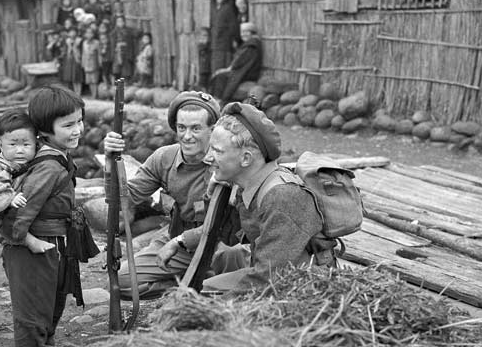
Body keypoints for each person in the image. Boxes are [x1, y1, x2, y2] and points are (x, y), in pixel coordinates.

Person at [156, 103, 324, 294]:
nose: (208, 158)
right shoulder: (247, 187)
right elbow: (224, 233)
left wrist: (211, 308)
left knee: (203, 296)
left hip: (305, 286)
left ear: (245, 159)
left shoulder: (282, 196)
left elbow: (269, 278)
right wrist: (210, 197)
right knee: (209, 282)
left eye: (217, 151)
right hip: (274, 274)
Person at [103, 91, 243, 300]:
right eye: (181, 128)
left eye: (196, 128)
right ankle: (185, 286)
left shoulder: (226, 160)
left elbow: (225, 222)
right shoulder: (164, 158)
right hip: (178, 242)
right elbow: (123, 200)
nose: (187, 136)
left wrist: (180, 241)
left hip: (219, 244)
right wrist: (109, 164)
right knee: (122, 282)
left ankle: (202, 284)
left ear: (212, 130)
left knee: (233, 272)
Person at [0, 86, 90, 347]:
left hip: (54, 243)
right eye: (67, 125)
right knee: (32, 313)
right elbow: (19, 214)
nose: (77, 129)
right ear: (44, 130)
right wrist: (24, 239)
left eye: (79, 121)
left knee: (52, 305)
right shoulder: (48, 167)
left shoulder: (59, 156)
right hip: (32, 248)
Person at [0, 109, 55, 255]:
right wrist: (10, 197)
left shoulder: (28, 159)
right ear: (0, 145)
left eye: (26, 145)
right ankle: (26, 240)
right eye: (13, 145)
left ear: (36, 143)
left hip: (9, 211)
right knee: (13, 227)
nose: (20, 151)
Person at [209, 22, 263, 104]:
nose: (243, 35)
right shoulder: (249, 44)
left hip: (248, 74)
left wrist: (230, 69)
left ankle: (220, 101)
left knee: (220, 77)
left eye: (246, 32)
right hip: (243, 71)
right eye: (242, 32)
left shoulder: (251, 46)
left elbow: (241, 63)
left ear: (252, 32)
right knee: (219, 75)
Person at [210, 0, 240, 74]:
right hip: (215, 45)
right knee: (215, 69)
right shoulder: (214, 8)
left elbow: (234, 26)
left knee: (222, 70)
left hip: (224, 46)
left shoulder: (228, 8)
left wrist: (235, 39)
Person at [110, 14, 136, 82]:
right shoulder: (114, 32)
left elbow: (137, 33)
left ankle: (126, 82)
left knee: (126, 69)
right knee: (117, 69)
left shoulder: (128, 30)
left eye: (121, 21)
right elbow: (113, 43)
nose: (120, 23)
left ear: (124, 22)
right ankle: (118, 84)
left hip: (126, 52)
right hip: (118, 52)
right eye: (118, 21)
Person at [60, 27, 83, 95]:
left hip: (77, 60)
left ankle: (78, 92)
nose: (72, 33)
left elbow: (82, 51)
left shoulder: (80, 40)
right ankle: (72, 93)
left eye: (73, 31)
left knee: (77, 76)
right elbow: (64, 51)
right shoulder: (67, 41)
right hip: (69, 60)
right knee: (70, 76)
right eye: (70, 32)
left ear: (76, 32)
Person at [81, 26, 102, 98]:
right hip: (87, 62)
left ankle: (95, 94)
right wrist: (83, 63)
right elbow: (83, 53)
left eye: (90, 33)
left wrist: (100, 62)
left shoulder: (96, 42)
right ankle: (92, 93)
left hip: (94, 62)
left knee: (94, 80)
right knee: (88, 80)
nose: (89, 34)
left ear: (93, 34)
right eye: (87, 33)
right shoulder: (84, 43)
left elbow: (99, 53)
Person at [197, 27, 212, 91]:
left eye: (206, 35)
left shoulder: (209, 46)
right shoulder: (200, 46)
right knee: (202, 85)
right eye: (202, 35)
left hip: (208, 69)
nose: (204, 37)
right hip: (202, 70)